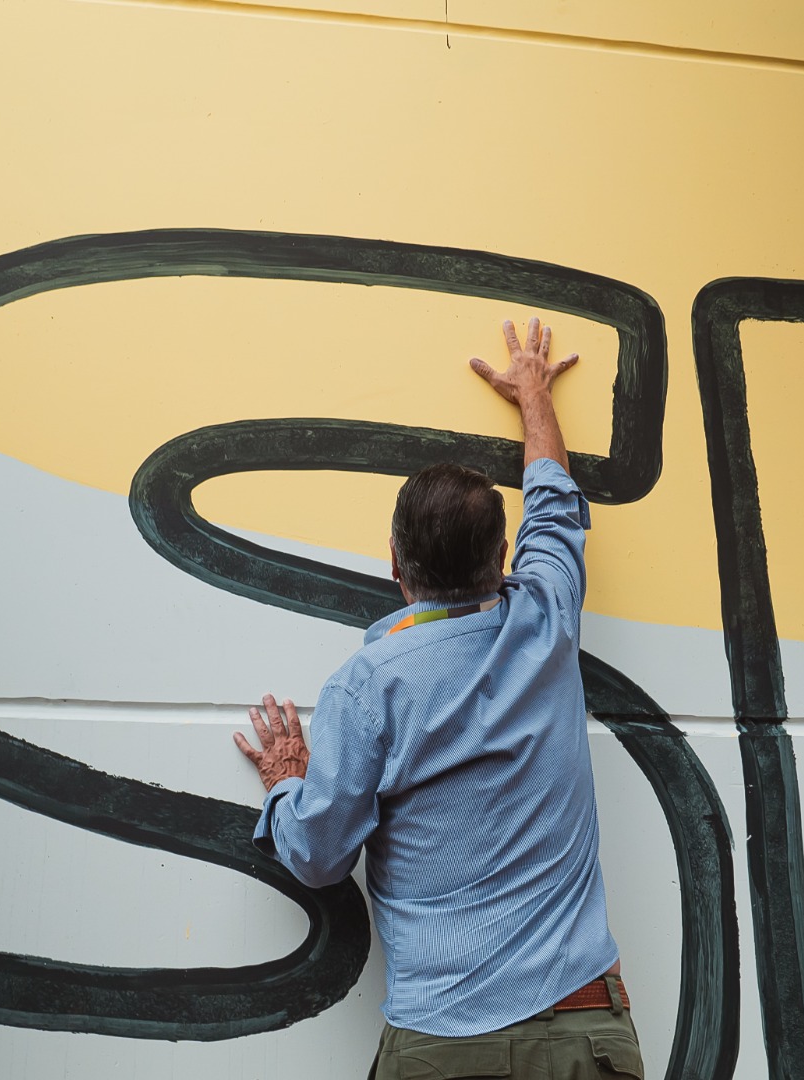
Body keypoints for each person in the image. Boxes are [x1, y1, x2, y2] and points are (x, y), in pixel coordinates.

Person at [233, 317, 643, 1079]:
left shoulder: (369, 686)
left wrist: (289, 782)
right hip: (583, 1031)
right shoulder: (546, 617)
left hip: (444, 1045)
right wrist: (534, 396)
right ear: (503, 556)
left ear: (394, 561)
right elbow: (555, 503)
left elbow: (319, 859)